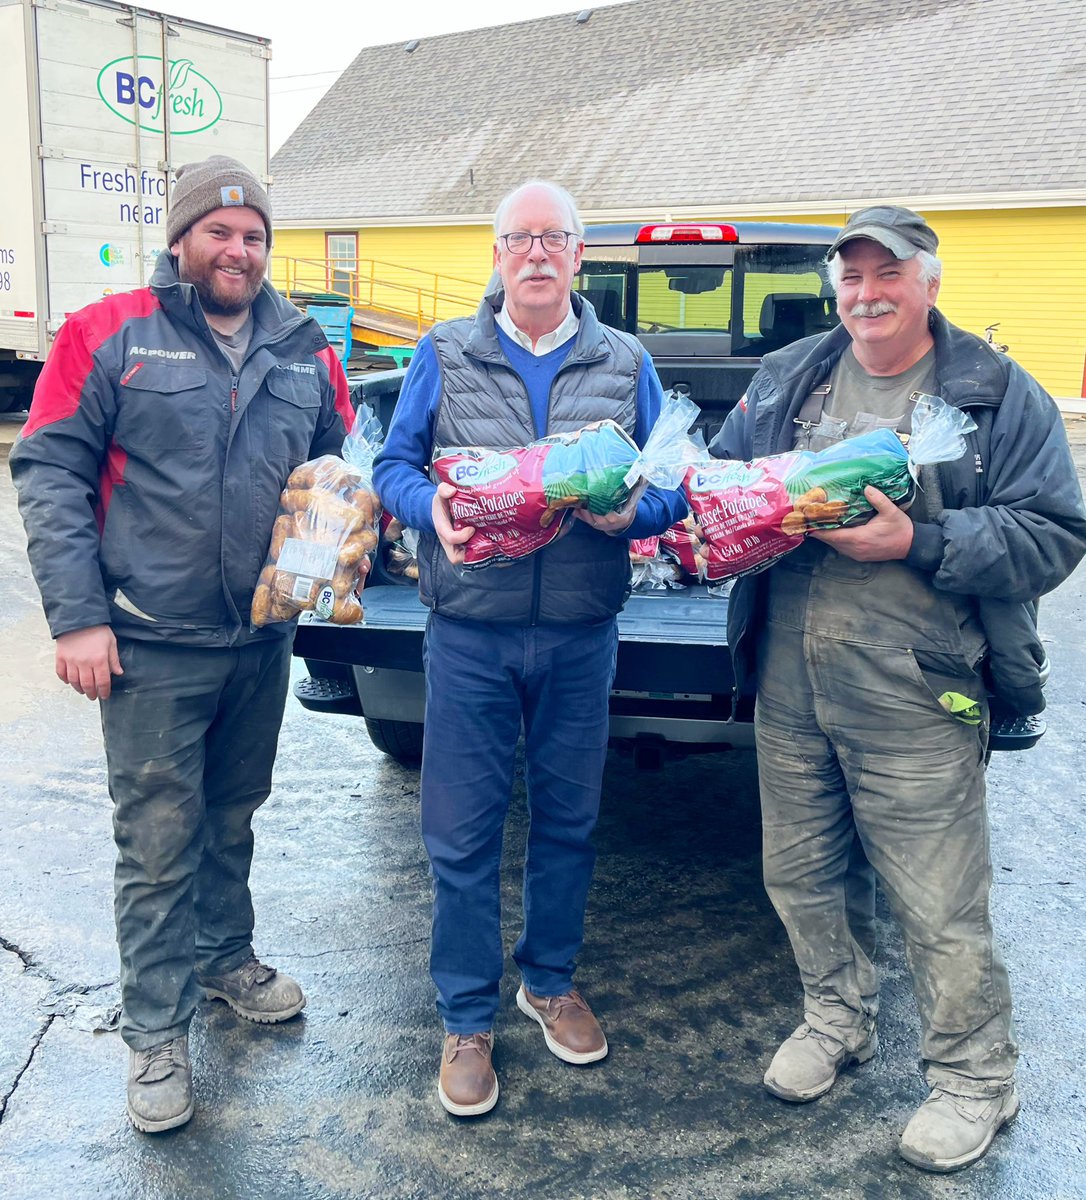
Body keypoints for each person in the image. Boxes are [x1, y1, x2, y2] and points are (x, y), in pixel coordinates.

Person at [711, 205, 1086, 1172]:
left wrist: (917, 540)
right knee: (801, 874)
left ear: (930, 281)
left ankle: (976, 1080)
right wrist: (695, 506)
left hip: (920, 685)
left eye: (889, 274)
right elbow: (727, 480)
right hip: (790, 676)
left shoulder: (995, 395)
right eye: (853, 276)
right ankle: (836, 1020)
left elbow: (1054, 533)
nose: (867, 294)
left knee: (937, 899)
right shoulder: (791, 376)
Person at [11, 156, 355, 1134]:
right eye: (220, 232)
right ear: (182, 239)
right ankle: (156, 1031)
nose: (238, 249)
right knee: (158, 842)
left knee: (233, 815)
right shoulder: (108, 334)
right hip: (150, 642)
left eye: (254, 236)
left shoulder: (303, 347)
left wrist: (333, 563)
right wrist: (79, 617)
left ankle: (223, 957)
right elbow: (49, 470)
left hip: (260, 638)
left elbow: (333, 468)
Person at [374, 180, 687, 1117]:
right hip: (470, 634)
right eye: (520, 238)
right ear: (498, 256)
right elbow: (392, 466)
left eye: (555, 238)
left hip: (581, 635)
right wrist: (428, 510)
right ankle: (467, 1017)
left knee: (568, 821)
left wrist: (636, 513)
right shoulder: (444, 352)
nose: (538, 253)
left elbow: (675, 482)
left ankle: (548, 982)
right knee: (460, 832)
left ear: (579, 256)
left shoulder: (625, 360)